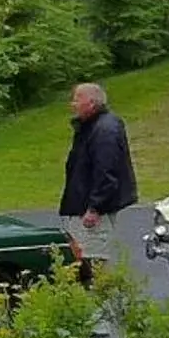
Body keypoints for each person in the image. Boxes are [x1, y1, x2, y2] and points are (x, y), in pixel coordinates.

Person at [59, 81, 138, 271]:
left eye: (77, 99)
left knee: (91, 261)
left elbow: (107, 171)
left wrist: (95, 207)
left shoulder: (104, 130)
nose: (73, 104)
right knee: (83, 257)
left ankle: (94, 298)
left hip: (93, 210)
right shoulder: (92, 127)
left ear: (92, 102)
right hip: (84, 205)